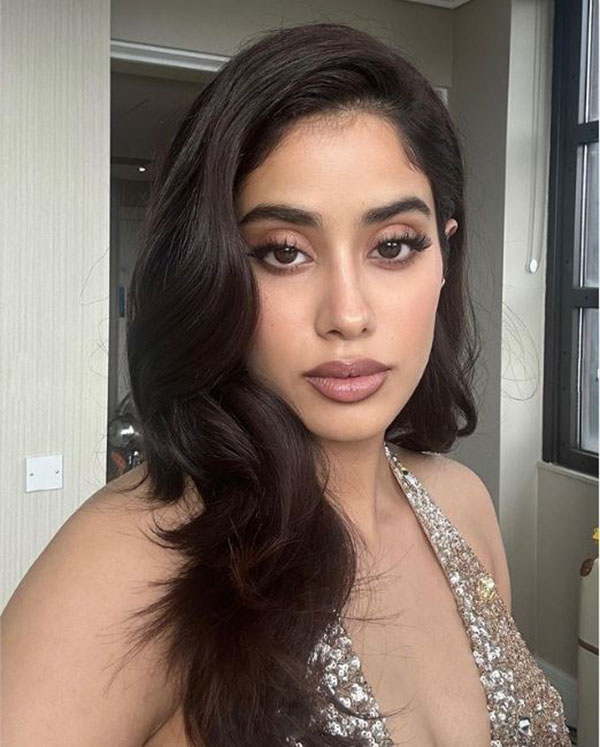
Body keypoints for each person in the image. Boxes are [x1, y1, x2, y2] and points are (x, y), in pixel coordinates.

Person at [2, 22, 571, 747]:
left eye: (393, 245)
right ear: (214, 272)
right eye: (283, 252)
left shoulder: (466, 508)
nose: (348, 314)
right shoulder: (131, 560)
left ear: (444, 260)